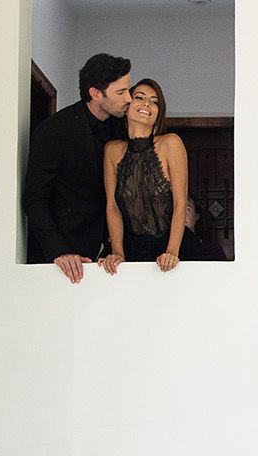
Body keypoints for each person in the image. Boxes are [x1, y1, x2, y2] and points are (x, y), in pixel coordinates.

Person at [23, 53, 131, 284]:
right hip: (59, 262)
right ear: (95, 93)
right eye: (121, 92)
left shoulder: (123, 129)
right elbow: (34, 198)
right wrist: (59, 252)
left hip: (108, 260)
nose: (129, 98)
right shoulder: (54, 130)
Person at [99, 79, 188, 274]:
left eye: (154, 101)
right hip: (130, 252)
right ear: (127, 106)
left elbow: (180, 204)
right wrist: (117, 252)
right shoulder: (112, 150)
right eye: (139, 97)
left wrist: (172, 252)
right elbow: (112, 206)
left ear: (158, 113)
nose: (147, 104)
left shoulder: (171, 143)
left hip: (172, 249)